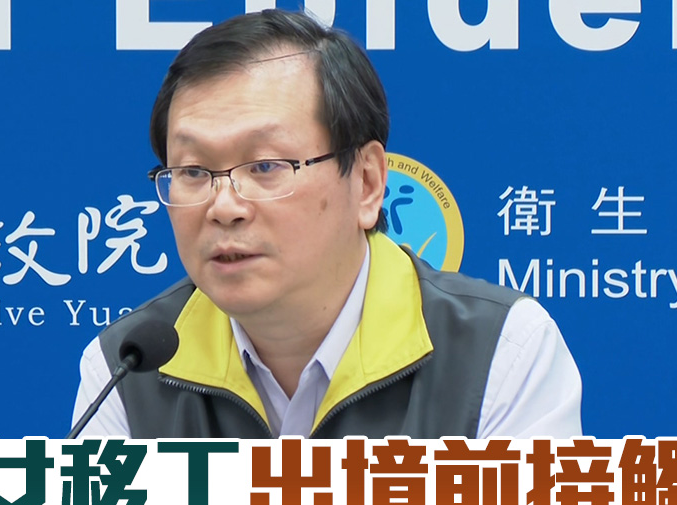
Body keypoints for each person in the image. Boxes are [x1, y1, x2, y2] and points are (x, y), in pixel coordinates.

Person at [71, 9, 581, 439]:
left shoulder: (501, 353)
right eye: (193, 172)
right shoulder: (126, 371)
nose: (224, 206)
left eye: (265, 166)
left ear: (366, 183)